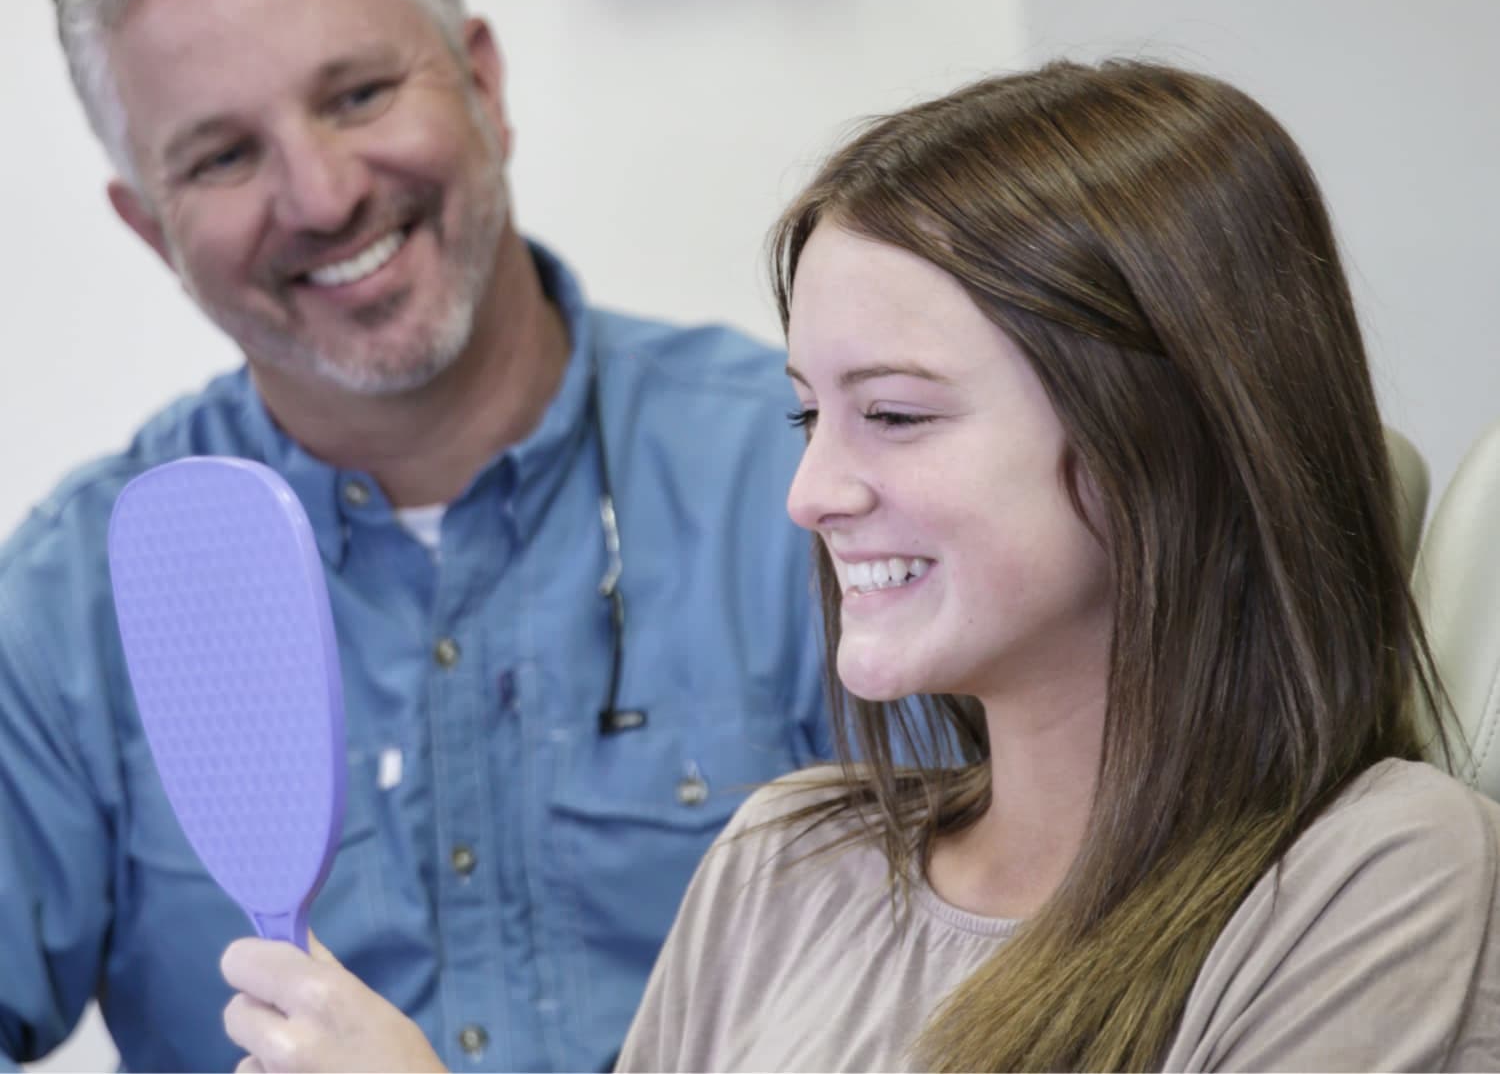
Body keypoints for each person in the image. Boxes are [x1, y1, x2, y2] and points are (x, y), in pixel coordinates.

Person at [220, 59, 1500, 1072]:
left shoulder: (1382, 880)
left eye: (893, 414)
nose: (812, 492)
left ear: (1161, 440)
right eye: (806, 415)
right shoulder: (782, 861)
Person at [0, 0, 829, 1070]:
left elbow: (1027, 982)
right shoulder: (72, 603)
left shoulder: (811, 482)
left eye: (358, 95)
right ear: (149, 229)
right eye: (224, 155)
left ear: (483, 85)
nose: (324, 194)